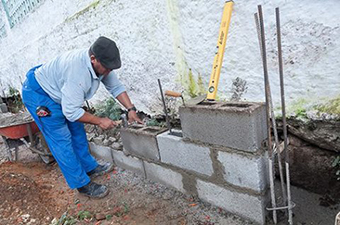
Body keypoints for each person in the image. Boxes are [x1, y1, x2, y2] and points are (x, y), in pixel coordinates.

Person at [22, 36, 142, 198]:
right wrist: (99, 121)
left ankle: (89, 166)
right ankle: (82, 184)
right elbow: (71, 112)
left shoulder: (102, 64)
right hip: (40, 94)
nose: (109, 72)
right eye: (107, 68)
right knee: (61, 139)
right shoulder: (77, 73)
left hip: (60, 88)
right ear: (93, 59)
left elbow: (115, 86)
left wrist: (131, 109)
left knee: (77, 129)